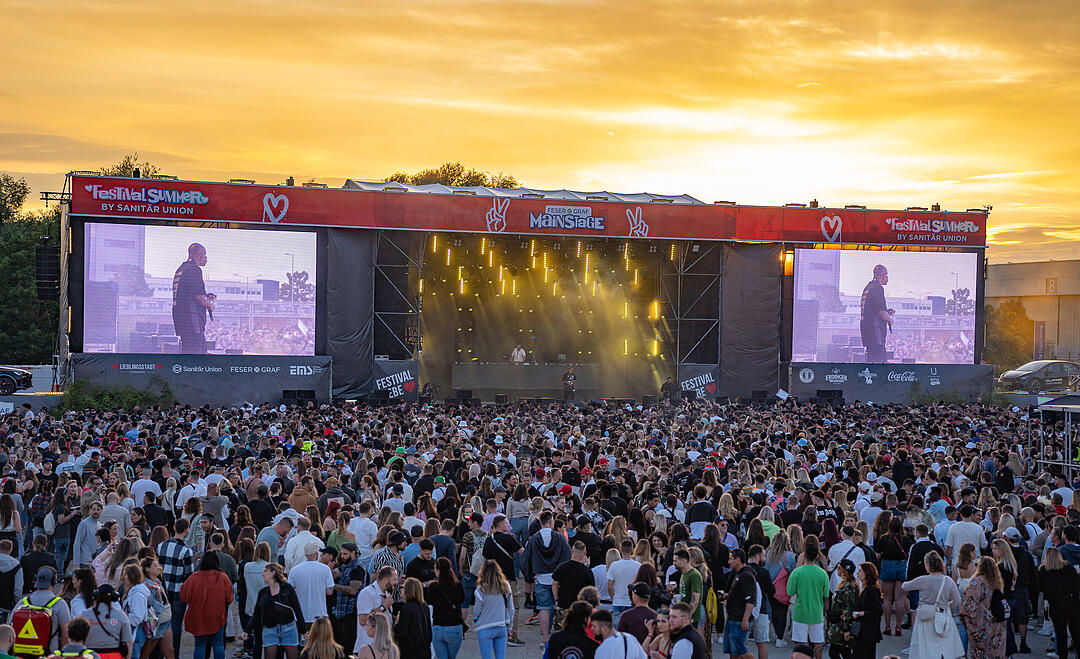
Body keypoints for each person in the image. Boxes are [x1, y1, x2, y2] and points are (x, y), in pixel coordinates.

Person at [901, 550, 964, 659]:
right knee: (944, 649)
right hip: (943, 616)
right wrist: (947, 606)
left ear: (928, 565)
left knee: (926, 650)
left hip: (926, 616)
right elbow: (957, 601)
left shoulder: (924, 580)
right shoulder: (948, 581)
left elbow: (904, 586)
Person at [522, 510, 571, 646]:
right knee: (559, 608)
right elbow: (567, 556)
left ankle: (545, 640)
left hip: (540, 577)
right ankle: (559, 639)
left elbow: (526, 559)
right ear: (551, 522)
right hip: (557, 578)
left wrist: (529, 575)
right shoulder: (560, 537)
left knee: (544, 608)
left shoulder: (533, 539)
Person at [179, 550, 234, 659]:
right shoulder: (222, 577)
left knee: (200, 645)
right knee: (218, 644)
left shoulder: (193, 577)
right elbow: (230, 598)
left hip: (198, 615)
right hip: (217, 616)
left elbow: (183, 596)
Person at [157, 517, 195, 659]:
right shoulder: (186, 550)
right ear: (186, 531)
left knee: (163, 622)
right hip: (178, 590)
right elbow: (189, 574)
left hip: (162, 590)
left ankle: (161, 653)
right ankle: (175, 654)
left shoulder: (161, 546)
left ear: (174, 527)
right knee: (176, 624)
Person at [787, 536, 830, 659]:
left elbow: (790, 591)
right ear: (817, 556)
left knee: (800, 643)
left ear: (804, 556)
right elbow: (826, 595)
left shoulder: (797, 572)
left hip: (800, 612)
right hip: (816, 613)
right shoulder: (823, 574)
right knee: (818, 643)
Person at [11, 566, 70, 654]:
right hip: (48, 653)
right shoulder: (59, 604)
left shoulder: (23, 603)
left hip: (21, 653)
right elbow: (66, 637)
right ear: (54, 581)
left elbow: (10, 628)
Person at [959, 556, 1007, 659]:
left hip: (982, 623)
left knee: (980, 651)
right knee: (995, 650)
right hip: (997, 622)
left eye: (977, 564)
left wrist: (964, 616)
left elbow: (970, 602)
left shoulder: (978, 581)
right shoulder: (997, 581)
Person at [1038, 546, 1080, 659]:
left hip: (1056, 604)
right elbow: (1077, 584)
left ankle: (1062, 656)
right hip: (1072, 602)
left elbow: (1041, 588)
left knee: (1060, 635)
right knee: (1076, 632)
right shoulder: (1068, 567)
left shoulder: (1043, 570)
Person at [172, 242, 214, 354]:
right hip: (192, 319)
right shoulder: (194, 269)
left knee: (192, 350)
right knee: (195, 355)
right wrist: (210, 304)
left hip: (182, 319)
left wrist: (205, 297)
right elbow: (199, 297)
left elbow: (189, 292)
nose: (206, 258)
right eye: (204, 255)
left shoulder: (181, 269)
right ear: (198, 254)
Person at [425, 557, 465, 659]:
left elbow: (428, 600)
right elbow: (462, 599)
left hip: (438, 626)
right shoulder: (457, 585)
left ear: (438, 570)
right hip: (454, 626)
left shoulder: (434, 586)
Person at [473, 559, 514, 659]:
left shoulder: (480, 589)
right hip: (501, 626)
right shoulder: (506, 587)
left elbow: (477, 611)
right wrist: (510, 627)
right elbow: (511, 609)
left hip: (484, 628)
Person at [287, 541, 335, 623]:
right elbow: (329, 592)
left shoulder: (294, 570)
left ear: (305, 554)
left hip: (301, 616)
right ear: (316, 553)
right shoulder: (325, 569)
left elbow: (290, 591)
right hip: (320, 615)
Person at [82, 584, 133, 657]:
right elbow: (129, 642)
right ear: (114, 597)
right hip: (114, 656)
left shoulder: (85, 615)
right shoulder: (121, 616)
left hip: (90, 656)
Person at [355, 566, 398, 652]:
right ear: (385, 580)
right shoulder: (367, 593)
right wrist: (383, 607)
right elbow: (363, 620)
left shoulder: (386, 594)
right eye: (394, 579)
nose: (396, 582)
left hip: (383, 647)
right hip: (368, 648)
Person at [825, 559, 857, 659]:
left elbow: (848, 609)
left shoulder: (849, 587)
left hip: (841, 626)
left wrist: (847, 629)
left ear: (844, 571)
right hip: (840, 623)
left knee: (834, 653)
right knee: (845, 653)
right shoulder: (846, 584)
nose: (837, 570)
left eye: (839, 568)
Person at [393, 577, 433, 659]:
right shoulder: (424, 606)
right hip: (424, 651)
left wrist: (396, 623)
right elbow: (429, 632)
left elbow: (402, 633)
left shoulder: (405, 608)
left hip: (409, 652)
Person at [859, 264, 891, 362]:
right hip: (875, 331)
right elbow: (881, 313)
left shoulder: (868, 287)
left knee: (875, 359)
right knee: (877, 363)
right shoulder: (878, 288)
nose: (887, 278)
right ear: (882, 274)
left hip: (867, 330)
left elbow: (873, 308)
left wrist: (887, 312)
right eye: (886, 275)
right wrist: (890, 320)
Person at [851, 563, 883, 659]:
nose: (858, 573)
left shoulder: (872, 590)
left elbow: (878, 611)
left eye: (860, 571)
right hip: (863, 632)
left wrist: (860, 613)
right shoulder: (866, 589)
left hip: (868, 633)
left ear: (867, 573)